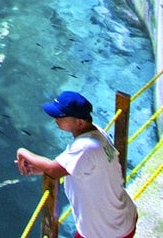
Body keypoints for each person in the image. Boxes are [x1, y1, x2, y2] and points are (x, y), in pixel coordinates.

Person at [16, 90, 138, 238]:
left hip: (108, 231)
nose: (55, 118)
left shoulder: (84, 147)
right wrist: (40, 169)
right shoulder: (97, 133)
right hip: (120, 219)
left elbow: (53, 170)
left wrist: (22, 152)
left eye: (61, 116)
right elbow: (77, 167)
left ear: (80, 122)